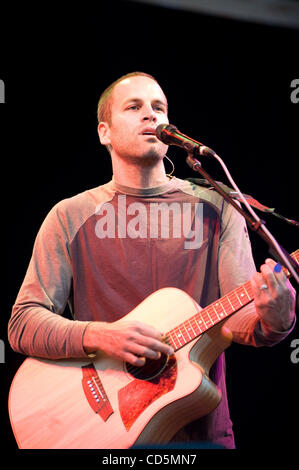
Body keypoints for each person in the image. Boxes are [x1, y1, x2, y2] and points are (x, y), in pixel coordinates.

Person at [8, 71, 296, 449]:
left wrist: (277, 318)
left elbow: (238, 322)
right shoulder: (70, 215)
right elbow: (23, 322)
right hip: (101, 431)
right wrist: (100, 335)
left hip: (200, 435)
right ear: (104, 132)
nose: (151, 115)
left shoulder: (218, 206)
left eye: (158, 107)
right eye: (134, 107)